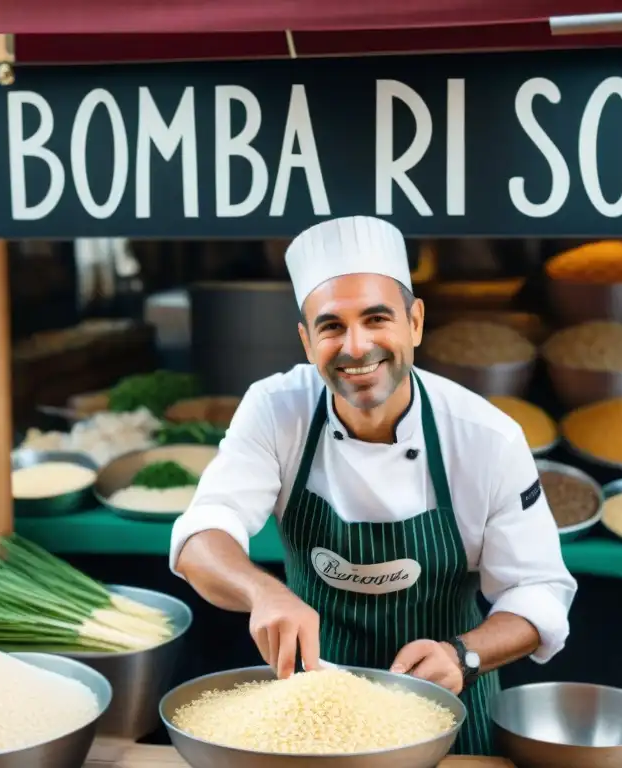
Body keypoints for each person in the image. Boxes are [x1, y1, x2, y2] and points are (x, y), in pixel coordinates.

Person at [169, 215, 577, 756]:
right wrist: (263, 592)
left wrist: (464, 655)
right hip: (311, 714)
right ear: (305, 338)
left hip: (447, 714)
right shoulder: (276, 410)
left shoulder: (487, 438)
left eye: (376, 319)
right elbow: (204, 532)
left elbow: (539, 591)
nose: (356, 347)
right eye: (331, 326)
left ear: (415, 322)